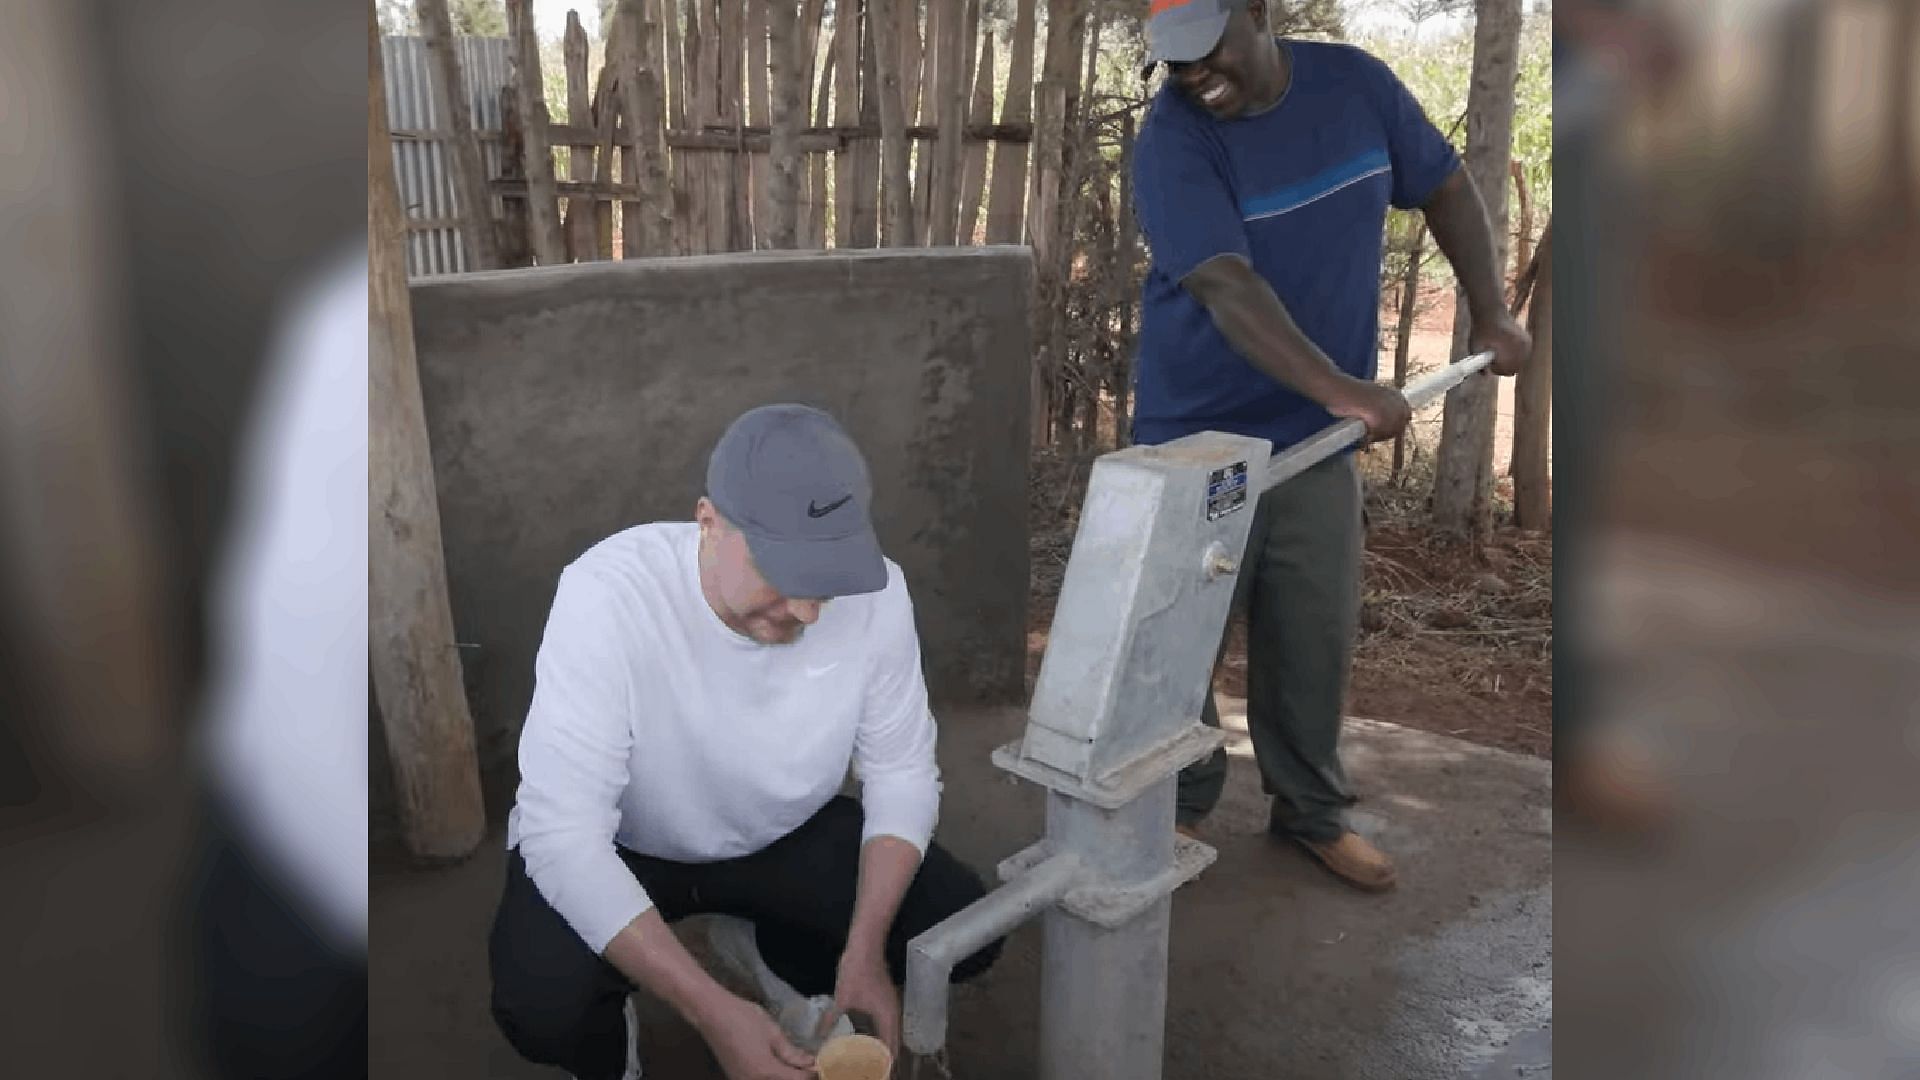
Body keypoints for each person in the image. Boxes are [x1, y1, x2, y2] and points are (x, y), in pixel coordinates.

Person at [1132, 0, 1533, 892]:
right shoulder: (1174, 140)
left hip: (1314, 444)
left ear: (1259, 16)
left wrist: (1493, 308)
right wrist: (1342, 390)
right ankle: (1182, 795)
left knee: (1312, 635)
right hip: (1198, 442)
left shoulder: (1356, 88)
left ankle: (1309, 813)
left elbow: (1444, 185)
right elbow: (1226, 287)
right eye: (1173, 61)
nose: (1192, 75)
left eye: (1205, 50)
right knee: (1174, 643)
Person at [488, 404, 1000, 1080]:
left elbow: (901, 772)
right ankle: (613, 1049)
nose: (810, 611)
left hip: (780, 834)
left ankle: (772, 955)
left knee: (955, 933)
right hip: (627, 846)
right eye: (785, 575)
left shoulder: (879, 597)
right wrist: (709, 1010)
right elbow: (564, 836)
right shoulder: (607, 596)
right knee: (546, 1006)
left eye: (825, 579)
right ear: (708, 522)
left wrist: (864, 949)